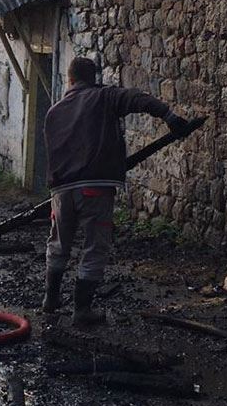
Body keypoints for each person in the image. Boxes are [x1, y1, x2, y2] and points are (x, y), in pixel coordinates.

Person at [42, 56, 198, 325]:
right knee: (94, 246)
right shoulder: (106, 97)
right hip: (95, 187)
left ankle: (50, 299)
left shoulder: (53, 112)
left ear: (70, 79)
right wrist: (170, 117)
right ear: (93, 78)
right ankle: (82, 311)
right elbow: (138, 98)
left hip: (61, 190)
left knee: (58, 244)